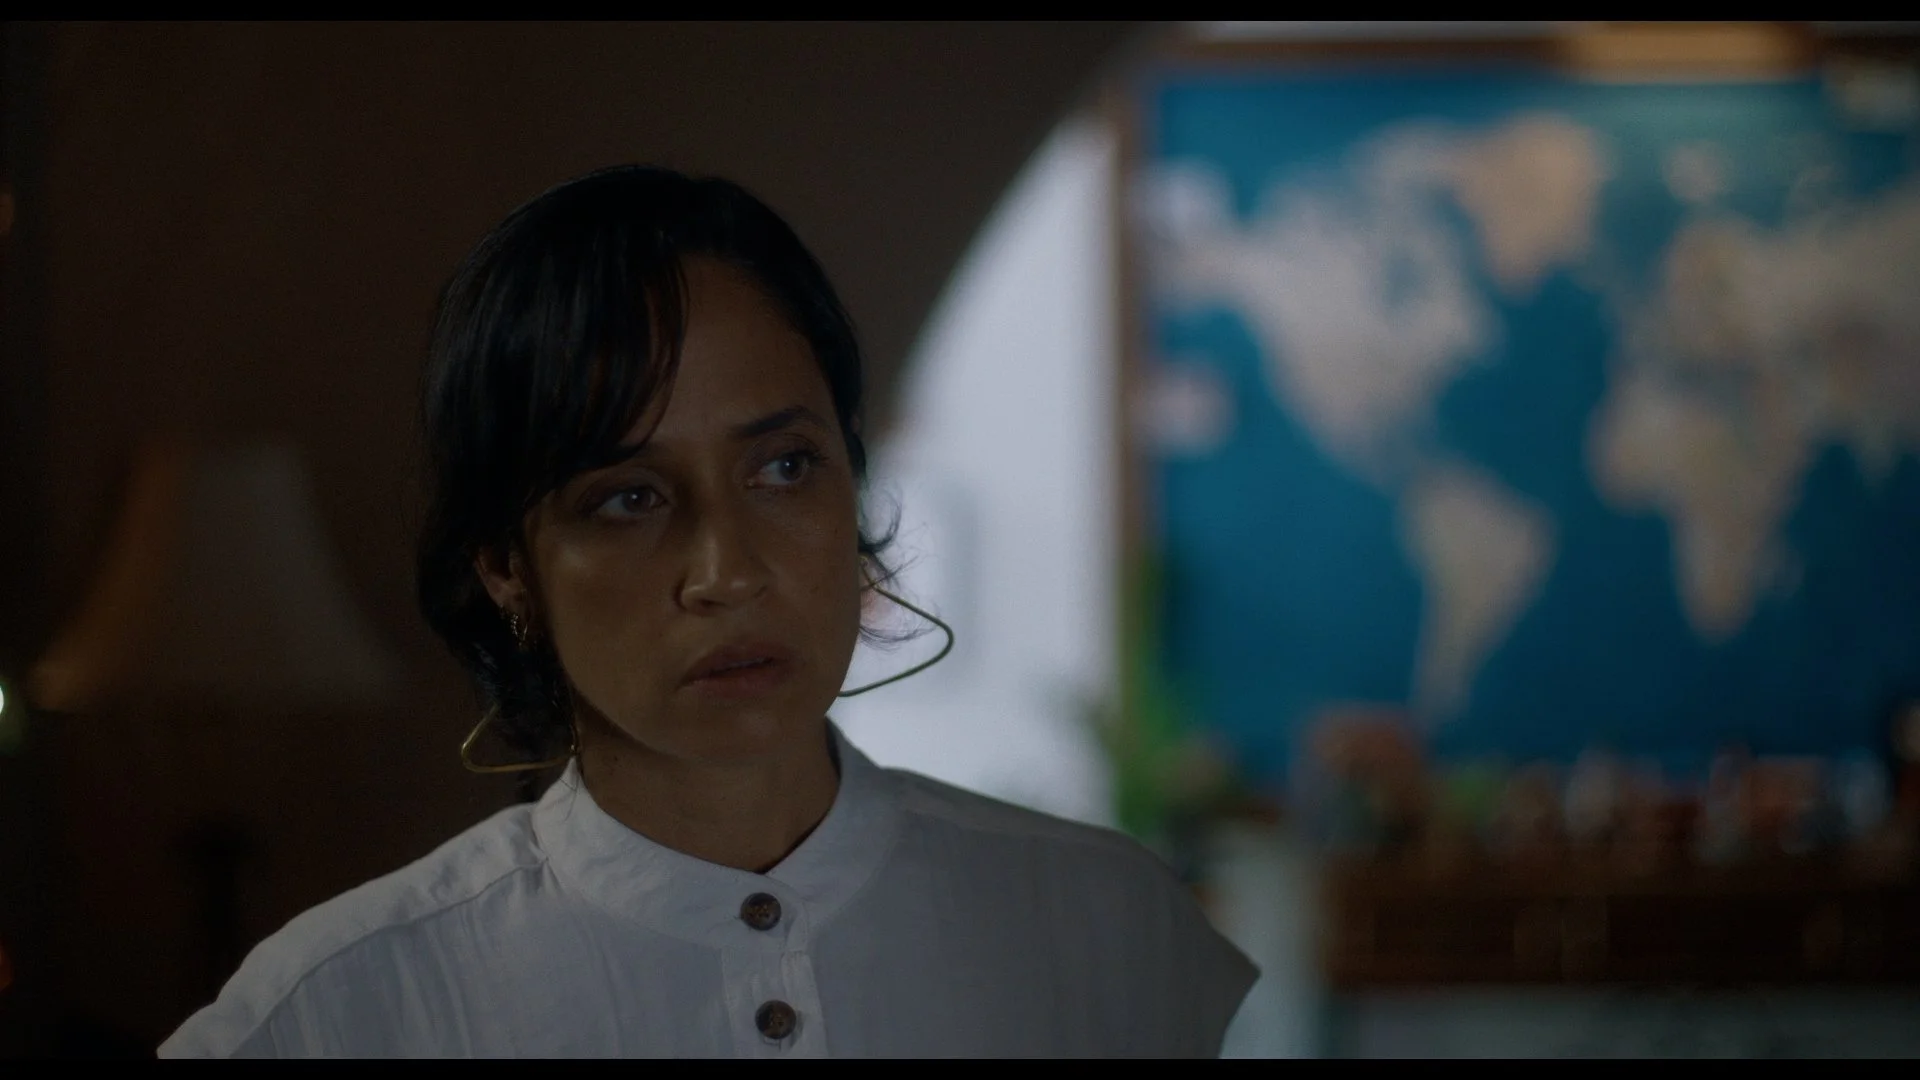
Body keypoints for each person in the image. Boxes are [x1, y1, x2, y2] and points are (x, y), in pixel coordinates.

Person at [158, 166, 1256, 1058]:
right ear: (506, 569)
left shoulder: (1100, 924)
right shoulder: (345, 1007)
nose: (726, 571)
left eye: (784, 467)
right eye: (628, 499)